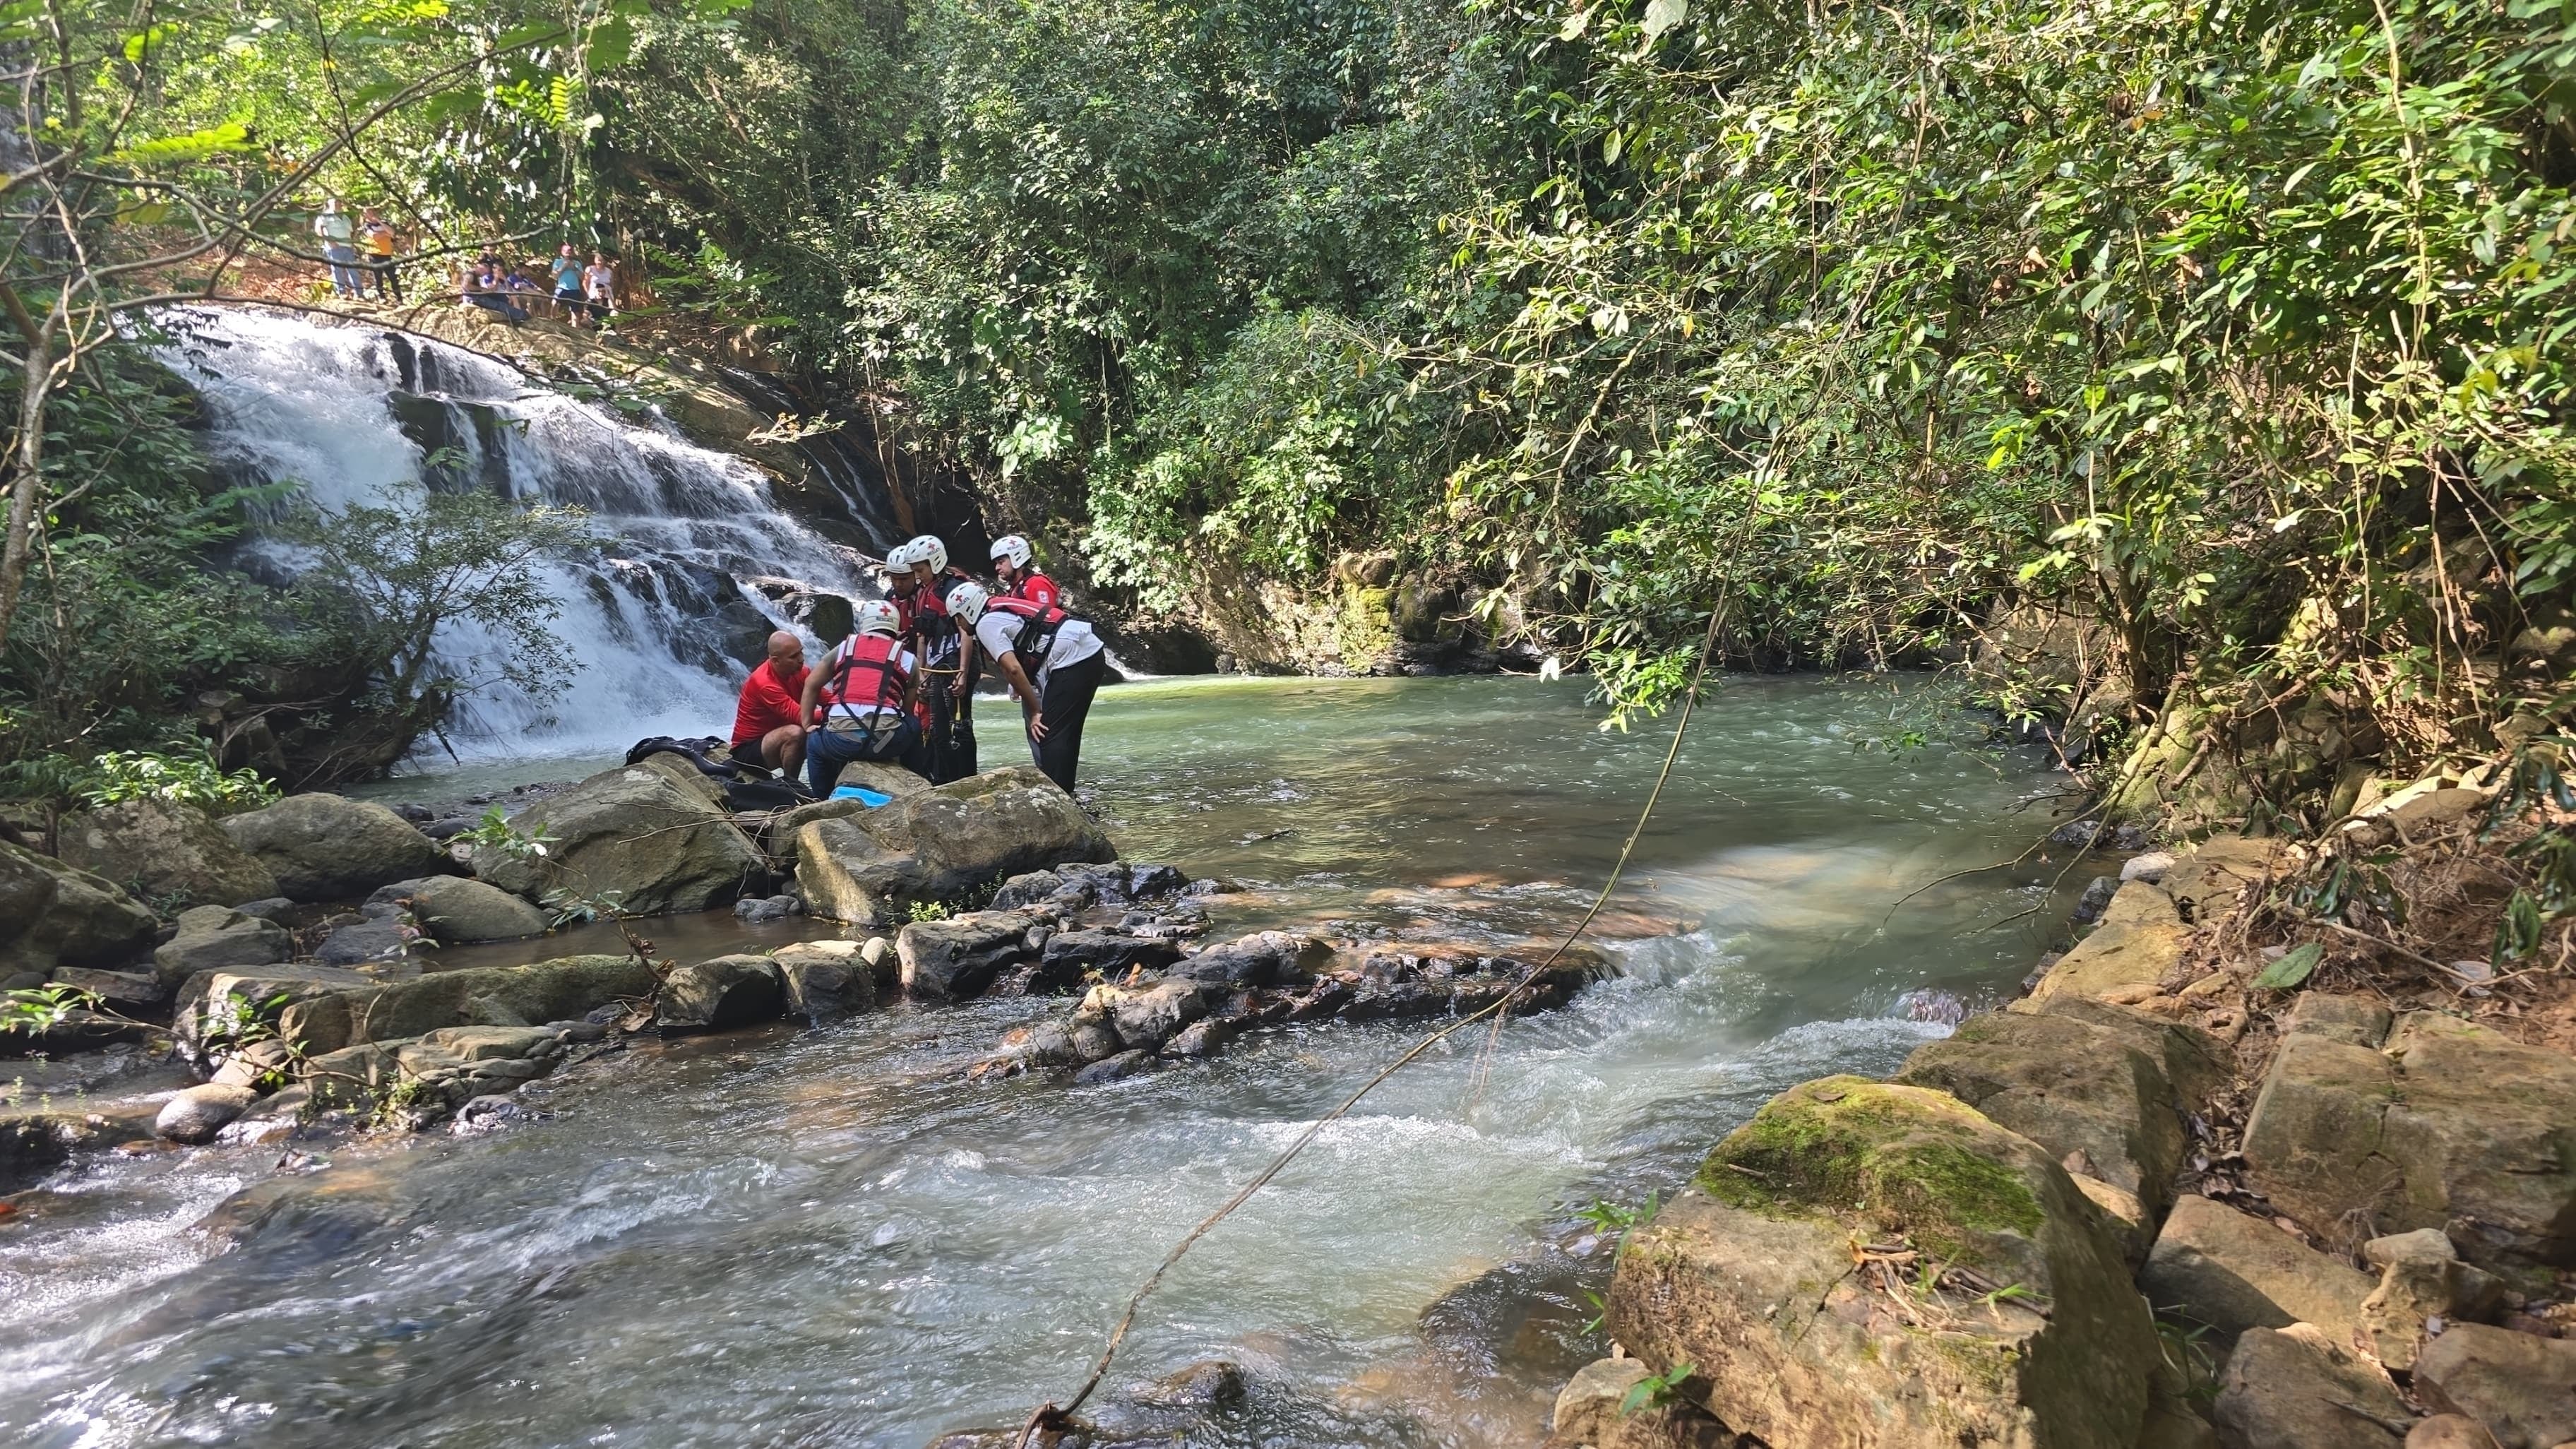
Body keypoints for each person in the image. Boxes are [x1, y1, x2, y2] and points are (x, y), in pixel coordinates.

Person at [951, 581, 1104, 792]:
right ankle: (1066, 793)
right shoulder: (996, 611)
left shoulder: (985, 623)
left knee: (1048, 732)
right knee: (1064, 733)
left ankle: (1058, 797)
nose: (958, 623)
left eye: (958, 617)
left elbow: (1013, 669)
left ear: (968, 611)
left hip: (1073, 659)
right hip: (1088, 652)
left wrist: (1035, 712)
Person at [799, 600, 925, 793]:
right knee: (913, 724)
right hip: (885, 744)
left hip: (842, 743)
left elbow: (811, 684)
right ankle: (916, 787)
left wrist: (807, 724)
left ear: (864, 623)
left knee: (814, 743)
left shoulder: (844, 648)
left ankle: (822, 797)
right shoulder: (909, 659)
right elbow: (907, 711)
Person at [895, 533, 982, 785]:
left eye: (920, 570)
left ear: (935, 562)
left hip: (956, 663)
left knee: (959, 726)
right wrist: (922, 672)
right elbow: (923, 635)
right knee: (937, 731)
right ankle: (946, 781)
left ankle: (968, 779)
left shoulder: (953, 588)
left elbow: (966, 632)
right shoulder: (925, 592)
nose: (917, 576)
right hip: (936, 666)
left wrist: (963, 672)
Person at [729, 631, 810, 779]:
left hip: (772, 739)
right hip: (747, 750)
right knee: (795, 733)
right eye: (794, 657)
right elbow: (800, 717)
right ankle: (791, 784)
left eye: (801, 652)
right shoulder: (764, 683)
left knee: (823, 730)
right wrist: (835, 714)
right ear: (775, 661)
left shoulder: (801, 672)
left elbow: (827, 698)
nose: (801, 659)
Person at [989, 534, 1061, 609]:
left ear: (1016, 558)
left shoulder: (1037, 584)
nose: (997, 568)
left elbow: (1047, 614)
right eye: (996, 563)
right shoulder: (1017, 588)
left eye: (1001, 562)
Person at [313, 198, 363, 299]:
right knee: (337, 270)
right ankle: (341, 292)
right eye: (335, 203)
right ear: (329, 204)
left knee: (353, 270)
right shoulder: (325, 216)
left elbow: (350, 232)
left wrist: (352, 244)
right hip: (335, 247)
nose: (337, 204)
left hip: (348, 247)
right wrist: (330, 241)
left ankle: (359, 293)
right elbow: (318, 229)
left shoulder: (345, 217)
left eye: (339, 203)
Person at [357, 208, 401, 302]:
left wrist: (379, 221)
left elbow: (392, 233)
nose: (371, 214)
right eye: (368, 212)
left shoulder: (384, 222)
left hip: (387, 253)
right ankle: (381, 297)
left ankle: (399, 298)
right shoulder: (366, 225)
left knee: (393, 277)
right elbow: (374, 236)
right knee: (378, 277)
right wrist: (385, 233)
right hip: (374, 253)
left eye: (372, 211)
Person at [549, 245, 586, 323]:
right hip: (561, 288)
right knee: (555, 303)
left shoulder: (577, 263)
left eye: (569, 251)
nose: (568, 252)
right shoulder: (558, 262)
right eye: (565, 251)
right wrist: (563, 266)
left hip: (574, 289)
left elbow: (582, 278)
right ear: (562, 252)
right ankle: (552, 322)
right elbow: (555, 276)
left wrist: (574, 268)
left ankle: (575, 327)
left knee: (575, 310)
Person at [582, 251, 617, 325]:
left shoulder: (609, 271)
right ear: (595, 260)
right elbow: (585, 283)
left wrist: (608, 293)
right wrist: (588, 293)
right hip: (594, 295)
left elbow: (612, 285)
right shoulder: (590, 269)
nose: (600, 262)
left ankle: (610, 327)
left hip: (607, 295)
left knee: (612, 311)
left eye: (602, 260)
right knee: (594, 313)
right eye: (598, 260)